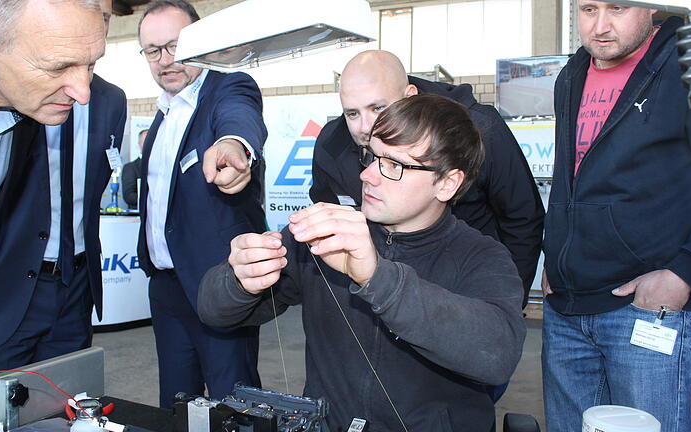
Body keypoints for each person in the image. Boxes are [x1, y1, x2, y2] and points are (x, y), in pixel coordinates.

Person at [199, 94, 526, 432]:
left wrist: (377, 277)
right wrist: (238, 279)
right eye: (372, 156)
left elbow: (497, 355)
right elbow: (213, 311)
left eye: (395, 164)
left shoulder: (482, 257)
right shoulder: (329, 234)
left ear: (447, 183)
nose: (368, 175)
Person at [541, 4, 691, 432]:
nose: (600, 26)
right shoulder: (571, 74)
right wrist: (557, 253)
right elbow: (570, 176)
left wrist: (687, 271)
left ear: (651, 5)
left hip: (650, 308)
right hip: (567, 310)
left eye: (617, 7)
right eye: (588, 9)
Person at [0, 0, 126, 376]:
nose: (83, 92)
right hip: (2, 292)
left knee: (65, 406)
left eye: (92, 63)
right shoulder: (9, 97)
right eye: (58, 66)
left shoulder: (105, 100)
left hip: (74, 286)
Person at [310, 50, 544, 306]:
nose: (366, 127)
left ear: (410, 96)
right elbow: (330, 219)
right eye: (352, 113)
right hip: (374, 297)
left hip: (461, 296)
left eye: (378, 108)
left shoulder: (478, 130)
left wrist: (506, 304)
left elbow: (522, 217)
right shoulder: (332, 145)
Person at [136, 0, 267, 407]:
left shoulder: (227, 87)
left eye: (174, 46)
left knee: (235, 404)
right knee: (175, 403)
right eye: (153, 51)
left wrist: (234, 146)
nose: (165, 60)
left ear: (201, 43)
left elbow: (239, 119)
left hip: (219, 286)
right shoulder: (162, 116)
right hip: (166, 288)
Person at [122, 129, 148, 209]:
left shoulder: (161, 168)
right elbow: (129, 196)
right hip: (137, 217)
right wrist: (152, 199)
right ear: (139, 144)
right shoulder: (130, 168)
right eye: (146, 141)